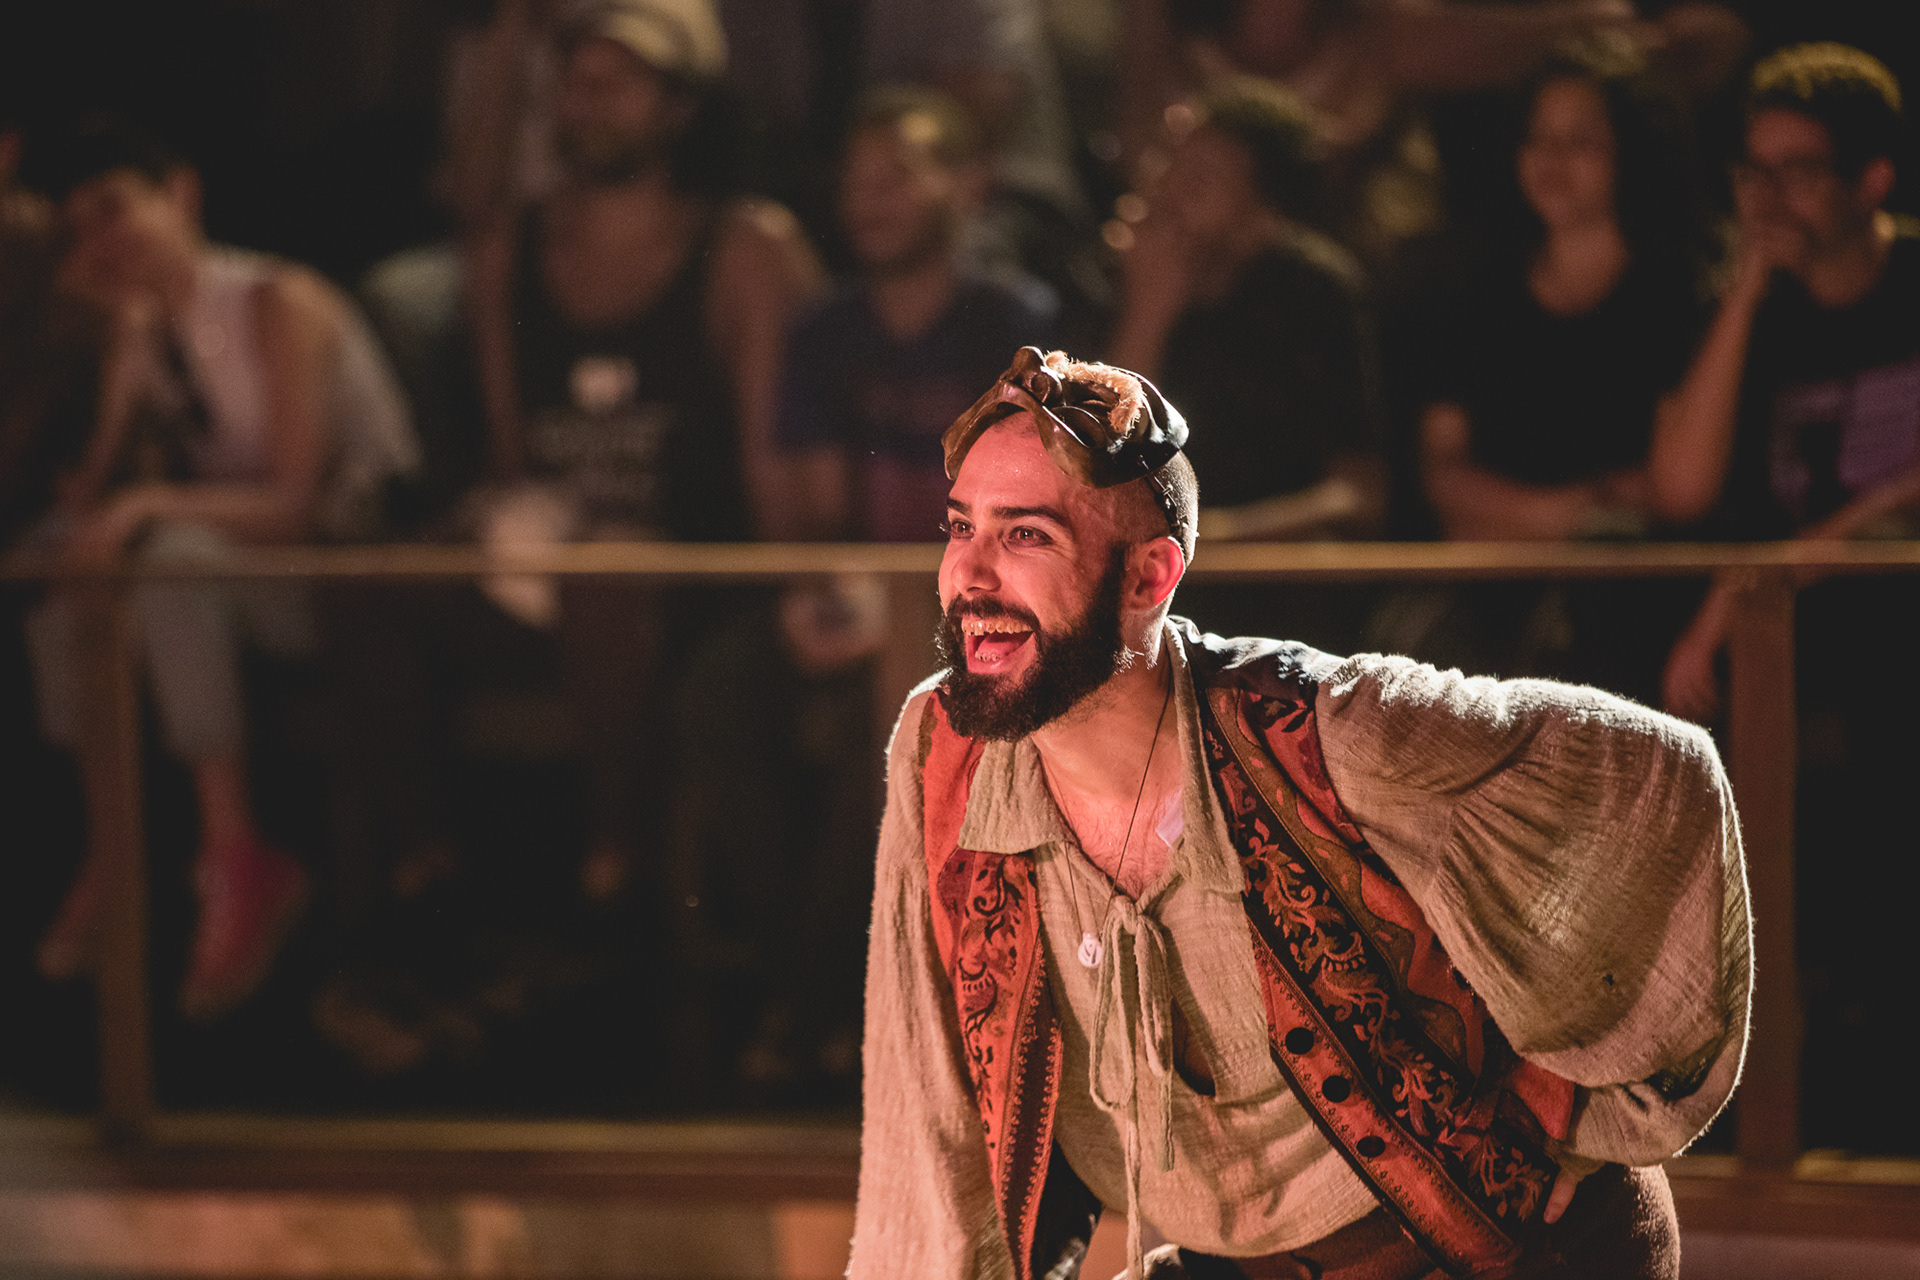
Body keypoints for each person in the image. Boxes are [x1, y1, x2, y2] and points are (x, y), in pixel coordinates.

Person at [851, 347, 1749, 1279]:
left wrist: (1564, 1104)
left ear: (1149, 578)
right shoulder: (942, 753)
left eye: (1027, 536)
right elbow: (930, 1115)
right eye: (961, 527)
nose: (969, 575)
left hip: (1494, 1245)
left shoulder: (1335, 733)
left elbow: (1661, 777)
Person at [20, 119, 417, 1021]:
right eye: (79, 229)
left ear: (180, 195)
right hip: (240, 576)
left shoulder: (277, 300)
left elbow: (293, 504)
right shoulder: (145, 326)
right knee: (64, 560)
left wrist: (142, 510)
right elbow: (94, 493)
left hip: (352, 584)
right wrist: (111, 347)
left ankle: (238, 855)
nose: (102, 242)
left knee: (170, 561)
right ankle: (111, 840)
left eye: (115, 211)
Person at [464, 0, 824, 898]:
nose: (587, 101)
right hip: (543, 561)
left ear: (680, 107)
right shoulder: (512, 249)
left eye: (616, 83)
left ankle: (617, 866)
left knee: (607, 578)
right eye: (574, 80)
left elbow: (777, 469)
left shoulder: (745, 249)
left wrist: (792, 599)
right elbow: (510, 454)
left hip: (695, 573)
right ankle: (422, 883)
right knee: (369, 592)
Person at [1391, 40, 1707, 695]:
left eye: (1580, 141)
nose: (1552, 161)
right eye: (1539, 139)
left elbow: (1665, 493)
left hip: (1631, 606)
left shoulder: (1677, 296)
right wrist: (1577, 514)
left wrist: (1511, 521)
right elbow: (1445, 480)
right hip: (1487, 603)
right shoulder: (1476, 292)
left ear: (1628, 152)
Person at [1650, 44, 1918, 719]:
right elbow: (1681, 491)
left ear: (1872, 181)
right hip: (1797, 611)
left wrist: (1750, 586)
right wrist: (1745, 292)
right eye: (1754, 173)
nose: (1767, 200)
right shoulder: (1743, 310)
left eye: (1798, 173)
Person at [778, 86, 1058, 543]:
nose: (869, 199)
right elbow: (820, 518)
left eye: (896, 177)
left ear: (967, 185)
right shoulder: (823, 333)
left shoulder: (1015, 325)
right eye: (854, 180)